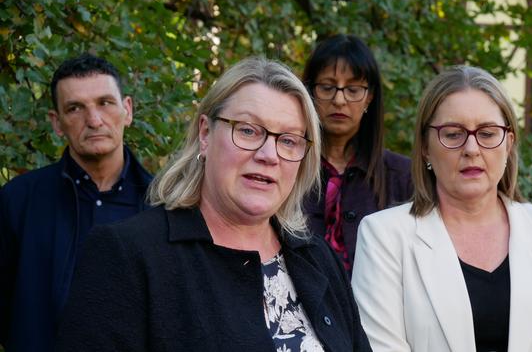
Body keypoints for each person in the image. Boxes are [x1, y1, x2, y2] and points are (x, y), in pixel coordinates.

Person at [56, 57, 371, 351]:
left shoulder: (317, 257)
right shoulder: (127, 255)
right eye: (248, 130)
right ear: (205, 134)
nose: (268, 155)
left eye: (288, 140)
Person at [351, 65, 532, 352]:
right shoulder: (384, 237)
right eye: (453, 134)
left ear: (509, 143)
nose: (472, 149)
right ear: (426, 146)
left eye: (488, 133)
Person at [0, 53, 152, 352]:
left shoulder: (164, 205)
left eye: (105, 103)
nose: (94, 120)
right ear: (57, 123)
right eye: (75, 108)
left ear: (128, 109)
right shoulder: (18, 201)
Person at [302, 34, 413, 272]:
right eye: (327, 87)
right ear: (310, 92)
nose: (339, 100)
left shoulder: (404, 176)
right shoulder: (287, 166)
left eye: (353, 89)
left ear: (369, 97)